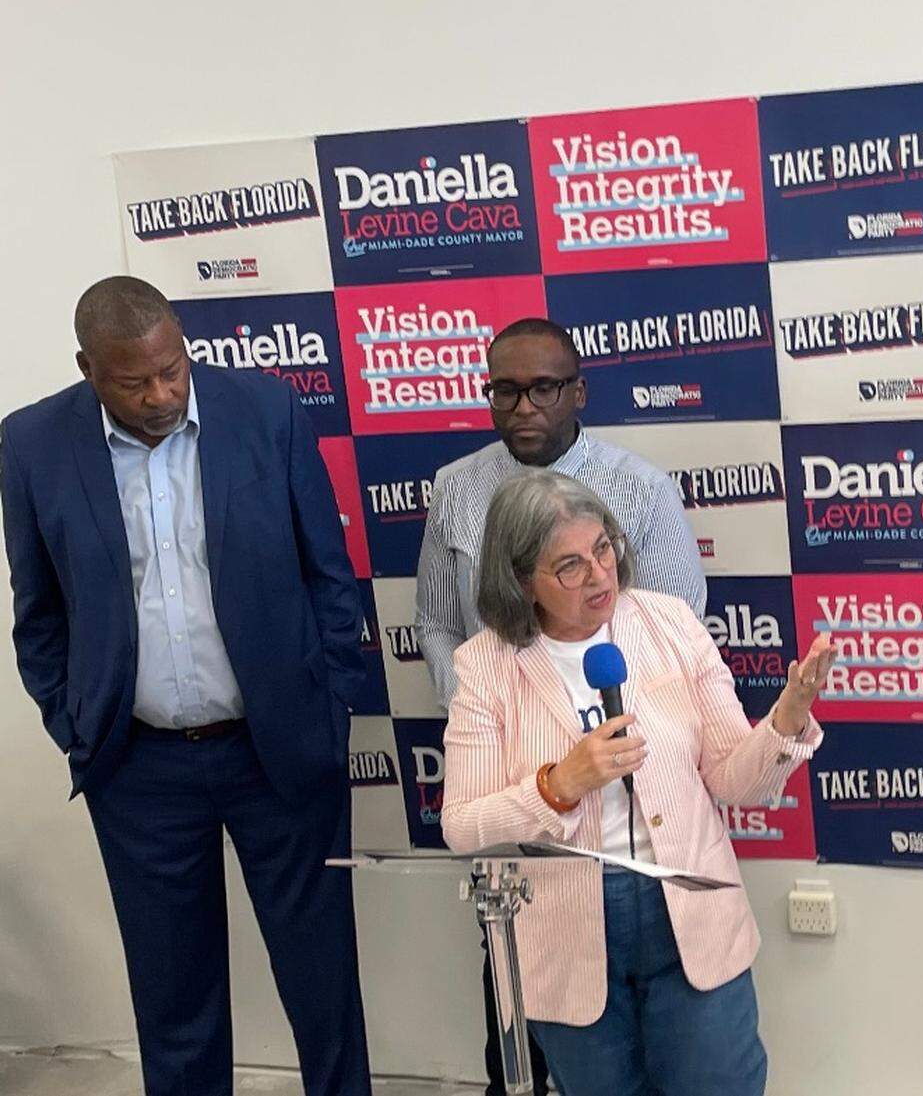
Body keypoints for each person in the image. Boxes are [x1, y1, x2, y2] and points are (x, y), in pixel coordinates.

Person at [0, 276, 371, 1096]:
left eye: (175, 368)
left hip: (277, 748)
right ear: (88, 369)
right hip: (139, 769)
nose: (164, 392)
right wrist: (77, 725)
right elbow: (40, 612)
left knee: (322, 981)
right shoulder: (30, 444)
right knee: (174, 997)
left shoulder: (264, 410)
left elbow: (328, 572)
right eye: (136, 381)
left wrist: (330, 703)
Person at [441, 469, 835, 1095]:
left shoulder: (668, 624)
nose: (600, 574)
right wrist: (556, 784)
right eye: (569, 566)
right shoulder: (486, 667)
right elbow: (461, 825)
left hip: (688, 907)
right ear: (522, 582)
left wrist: (787, 718)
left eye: (603, 548)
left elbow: (735, 779)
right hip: (569, 926)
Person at [416, 317, 706, 1094]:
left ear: (578, 390)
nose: (523, 407)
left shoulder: (637, 486)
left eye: (543, 388)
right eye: (503, 390)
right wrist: (482, 706)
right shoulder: (455, 488)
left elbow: (676, 630)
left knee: (644, 1003)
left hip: (628, 784)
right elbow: (440, 622)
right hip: (512, 781)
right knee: (518, 967)